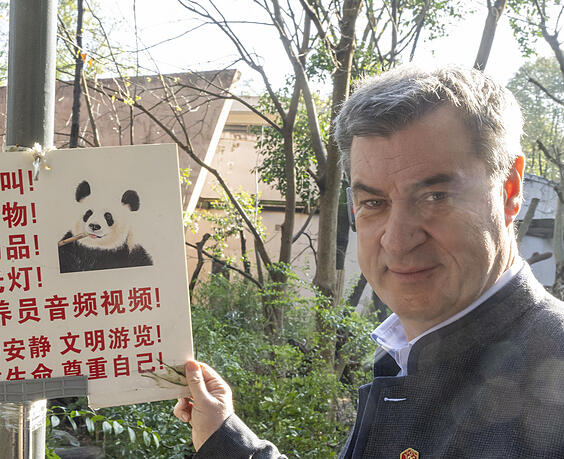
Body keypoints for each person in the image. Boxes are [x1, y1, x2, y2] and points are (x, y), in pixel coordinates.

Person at [173, 65, 564, 458]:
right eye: (374, 203)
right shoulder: (404, 353)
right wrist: (224, 436)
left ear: (510, 190)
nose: (396, 240)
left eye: (435, 196)